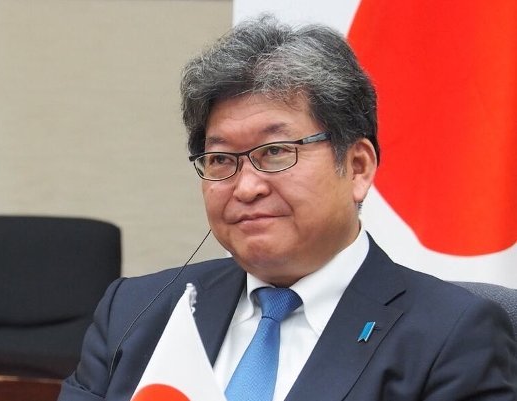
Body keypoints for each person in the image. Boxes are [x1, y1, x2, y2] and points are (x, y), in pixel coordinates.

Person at [58, 15, 516, 401]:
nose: (246, 187)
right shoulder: (136, 311)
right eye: (220, 159)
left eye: (276, 151)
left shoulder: (451, 335)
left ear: (357, 167)